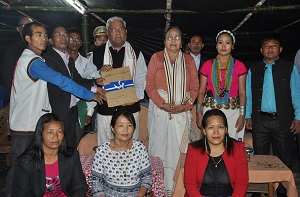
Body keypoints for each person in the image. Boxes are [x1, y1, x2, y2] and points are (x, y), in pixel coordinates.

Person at [6, 22, 103, 197]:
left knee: (31, 171)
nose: (43, 38)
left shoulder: (35, 59)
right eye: (38, 35)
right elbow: (61, 81)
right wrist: (89, 95)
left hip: (31, 124)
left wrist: (93, 87)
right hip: (25, 127)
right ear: (27, 38)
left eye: (44, 34)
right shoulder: (33, 63)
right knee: (19, 172)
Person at [146, 26, 199, 196]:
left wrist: (186, 106)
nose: (173, 41)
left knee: (178, 151)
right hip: (160, 112)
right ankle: (158, 189)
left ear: (182, 42)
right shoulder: (156, 58)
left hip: (181, 113)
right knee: (158, 149)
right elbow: (149, 85)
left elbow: (195, 87)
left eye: (177, 38)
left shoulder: (188, 60)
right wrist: (162, 104)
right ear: (164, 41)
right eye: (170, 37)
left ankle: (177, 190)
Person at [245, 35, 300, 197]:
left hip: (282, 121)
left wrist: (298, 116)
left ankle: (282, 190)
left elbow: (296, 93)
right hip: (260, 120)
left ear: (280, 49)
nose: (270, 48)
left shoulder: (289, 68)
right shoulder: (253, 69)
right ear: (261, 50)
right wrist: (248, 115)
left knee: (284, 158)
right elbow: (248, 94)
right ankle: (259, 191)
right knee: (259, 159)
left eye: (274, 45)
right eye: (266, 46)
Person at [84, 16, 147, 145]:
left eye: (121, 29)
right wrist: (98, 75)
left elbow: (141, 79)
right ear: (108, 33)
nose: (118, 33)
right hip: (106, 110)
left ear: (126, 31)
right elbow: (86, 76)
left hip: (130, 109)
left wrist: (135, 97)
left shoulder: (136, 53)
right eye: (113, 30)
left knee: (130, 147)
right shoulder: (97, 53)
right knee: (105, 146)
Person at [44, 24, 105, 149]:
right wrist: (91, 94)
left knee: (71, 147)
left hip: (72, 111)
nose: (63, 37)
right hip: (57, 111)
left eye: (65, 34)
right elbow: (67, 84)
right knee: (58, 148)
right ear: (50, 40)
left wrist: (95, 85)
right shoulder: (49, 59)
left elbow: (78, 79)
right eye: (58, 34)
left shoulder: (68, 60)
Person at [12, 113, 88, 196]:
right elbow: (23, 194)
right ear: (40, 134)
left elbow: (80, 185)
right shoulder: (25, 162)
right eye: (50, 132)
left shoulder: (71, 156)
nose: (55, 137)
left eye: (59, 131)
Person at [196, 30, 247, 141]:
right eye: (220, 42)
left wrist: (242, 115)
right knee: (210, 143)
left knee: (231, 144)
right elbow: (201, 91)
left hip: (233, 111)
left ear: (232, 46)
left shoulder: (239, 65)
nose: (223, 46)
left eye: (227, 43)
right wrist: (199, 112)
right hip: (210, 109)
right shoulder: (207, 65)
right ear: (216, 45)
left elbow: (242, 92)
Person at [184, 109, 248, 197]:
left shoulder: (237, 149)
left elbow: (242, 183)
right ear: (204, 131)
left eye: (220, 127)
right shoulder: (194, 150)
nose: (216, 132)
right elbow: (190, 183)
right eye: (211, 127)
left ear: (226, 129)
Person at [90, 110, 152, 197]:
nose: (125, 130)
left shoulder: (140, 148)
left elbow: (147, 178)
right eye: (120, 125)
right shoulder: (102, 151)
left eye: (129, 125)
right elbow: (96, 182)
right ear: (112, 128)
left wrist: (139, 196)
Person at [67, 27, 97, 133]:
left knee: (77, 139)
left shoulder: (87, 63)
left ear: (81, 43)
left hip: (81, 105)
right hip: (62, 105)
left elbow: (91, 86)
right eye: (71, 38)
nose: (74, 42)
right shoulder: (60, 61)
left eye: (77, 39)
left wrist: (89, 112)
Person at [1, 16, 33, 106]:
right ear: (18, 29)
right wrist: (13, 100)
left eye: (30, 25)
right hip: (20, 99)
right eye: (23, 25)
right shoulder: (12, 49)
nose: (27, 28)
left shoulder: (41, 48)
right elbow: (8, 75)